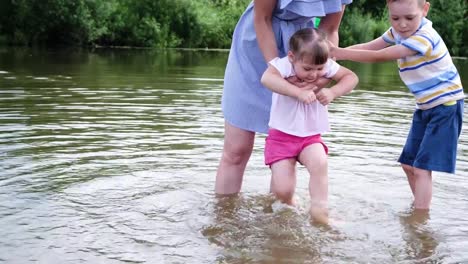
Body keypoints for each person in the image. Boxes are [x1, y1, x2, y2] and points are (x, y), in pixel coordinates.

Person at [330, 0, 465, 211]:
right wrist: (334, 54)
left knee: (421, 168)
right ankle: (419, 209)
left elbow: (379, 56)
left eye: (409, 18)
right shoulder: (397, 32)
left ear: (424, 10)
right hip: (425, 106)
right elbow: (370, 46)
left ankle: (421, 214)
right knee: (408, 164)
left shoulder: (424, 37)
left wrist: (341, 53)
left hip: (445, 106)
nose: (402, 25)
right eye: (395, 18)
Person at [216, 0, 353, 196]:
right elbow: (262, 18)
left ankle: (279, 217)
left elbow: (330, 28)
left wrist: (321, 76)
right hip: (258, 44)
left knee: (287, 149)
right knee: (237, 148)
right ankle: (223, 218)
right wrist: (278, 71)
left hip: (305, 51)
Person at [260, 28, 358, 223]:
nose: (314, 75)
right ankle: (289, 204)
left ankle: (319, 210)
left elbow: (351, 77)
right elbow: (266, 78)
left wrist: (333, 92)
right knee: (282, 191)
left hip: (310, 137)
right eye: (307, 69)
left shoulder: (324, 65)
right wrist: (297, 92)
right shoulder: (284, 66)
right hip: (281, 137)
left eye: (320, 69)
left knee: (320, 162)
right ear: (292, 57)